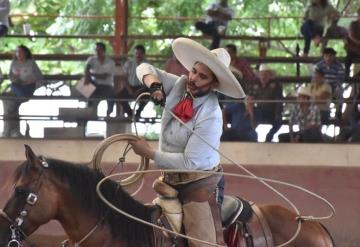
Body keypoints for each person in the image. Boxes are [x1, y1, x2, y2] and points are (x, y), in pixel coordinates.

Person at [129, 38, 245, 246]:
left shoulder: (211, 115)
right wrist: (155, 85)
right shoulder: (179, 84)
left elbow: (191, 163)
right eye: (193, 71)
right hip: (170, 180)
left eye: (202, 77)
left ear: (214, 84)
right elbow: (143, 68)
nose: (193, 78)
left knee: (201, 242)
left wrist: (150, 154)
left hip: (199, 185)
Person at [4, 45, 43, 137]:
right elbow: (10, 76)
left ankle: (18, 102)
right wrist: (15, 79)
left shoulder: (31, 63)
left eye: (20, 52)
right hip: (17, 86)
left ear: (25, 53)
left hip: (28, 86)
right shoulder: (14, 63)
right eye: (17, 52)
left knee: (13, 104)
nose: (18, 54)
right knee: (13, 98)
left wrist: (31, 81)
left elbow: (39, 76)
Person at [246, 64, 283, 142]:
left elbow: (279, 101)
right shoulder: (254, 84)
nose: (263, 77)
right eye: (262, 75)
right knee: (247, 117)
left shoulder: (276, 85)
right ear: (259, 75)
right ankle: (251, 136)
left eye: (266, 75)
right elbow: (250, 98)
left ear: (270, 75)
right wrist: (250, 112)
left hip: (272, 111)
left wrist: (277, 114)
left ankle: (269, 136)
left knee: (279, 121)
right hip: (259, 110)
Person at [84, 42, 116, 116]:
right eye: (96, 50)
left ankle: (109, 112)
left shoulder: (110, 62)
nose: (97, 52)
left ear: (103, 51)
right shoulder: (91, 59)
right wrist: (87, 77)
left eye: (99, 50)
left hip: (106, 85)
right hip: (94, 84)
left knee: (111, 95)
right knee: (85, 83)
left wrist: (91, 74)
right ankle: (89, 109)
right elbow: (86, 70)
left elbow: (104, 76)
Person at [117, 44, 149, 119]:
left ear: (143, 54)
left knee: (149, 95)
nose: (138, 55)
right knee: (119, 96)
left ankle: (138, 112)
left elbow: (149, 79)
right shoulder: (129, 63)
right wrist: (129, 89)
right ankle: (130, 114)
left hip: (142, 87)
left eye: (140, 54)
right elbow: (124, 78)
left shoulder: (148, 64)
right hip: (130, 86)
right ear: (134, 54)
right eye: (136, 53)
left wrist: (142, 89)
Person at [314, 47, 345, 119]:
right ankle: (324, 114)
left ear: (334, 57)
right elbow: (316, 78)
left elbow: (340, 79)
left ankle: (338, 111)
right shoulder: (318, 66)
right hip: (323, 88)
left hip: (334, 87)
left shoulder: (339, 66)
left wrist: (334, 87)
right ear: (323, 56)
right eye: (326, 56)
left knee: (340, 90)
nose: (328, 58)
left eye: (330, 56)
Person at [344, 8, 360, 77]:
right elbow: (351, 36)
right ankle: (346, 75)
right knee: (347, 61)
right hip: (352, 48)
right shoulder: (353, 24)